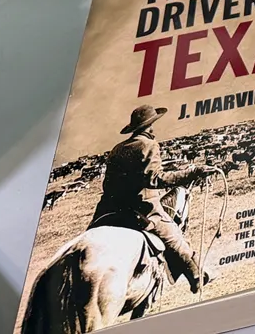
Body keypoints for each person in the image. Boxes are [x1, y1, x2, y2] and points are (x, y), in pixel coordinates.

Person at [89, 105, 216, 292]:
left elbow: (107, 184)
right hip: (141, 210)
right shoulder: (148, 144)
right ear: (150, 125)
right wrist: (193, 172)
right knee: (174, 237)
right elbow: (155, 178)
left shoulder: (117, 148)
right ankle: (196, 275)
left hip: (107, 210)